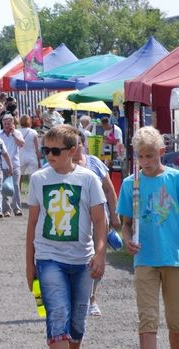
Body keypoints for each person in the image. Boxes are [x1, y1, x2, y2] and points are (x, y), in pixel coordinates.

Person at [26, 124, 107, 349]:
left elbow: (99, 221)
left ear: (72, 151)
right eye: (45, 150)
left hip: (82, 259)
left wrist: (100, 253)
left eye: (55, 150)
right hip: (49, 257)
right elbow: (33, 223)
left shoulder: (88, 179)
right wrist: (29, 264)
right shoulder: (38, 179)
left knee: (77, 322)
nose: (49, 155)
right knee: (57, 313)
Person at [116, 126, 179, 349]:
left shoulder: (177, 179)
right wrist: (127, 239)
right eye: (141, 157)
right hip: (145, 259)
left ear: (162, 152)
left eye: (151, 156)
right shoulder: (131, 184)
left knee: (177, 320)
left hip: (175, 259)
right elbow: (126, 224)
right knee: (147, 318)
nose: (146, 161)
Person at [73, 131, 121, 317]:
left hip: (99, 219)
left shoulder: (94, 163)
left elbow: (109, 190)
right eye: (71, 144)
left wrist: (115, 216)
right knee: (77, 259)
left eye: (77, 144)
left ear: (83, 144)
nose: (75, 148)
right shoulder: (63, 165)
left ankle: (92, 298)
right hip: (74, 221)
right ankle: (78, 297)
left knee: (97, 257)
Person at [0, 114, 25, 217]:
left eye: (8, 124)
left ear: (12, 124)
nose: (6, 126)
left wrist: (14, 134)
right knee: (3, 188)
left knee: (15, 186)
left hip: (15, 164)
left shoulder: (17, 133)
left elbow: (21, 144)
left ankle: (17, 208)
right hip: (2, 164)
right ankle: (6, 210)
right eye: (5, 124)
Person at [18, 114, 41, 191]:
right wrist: (39, 159)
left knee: (19, 176)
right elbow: (37, 147)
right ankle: (33, 192)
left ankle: (18, 191)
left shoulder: (17, 132)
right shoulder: (33, 132)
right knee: (33, 176)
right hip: (32, 156)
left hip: (20, 156)